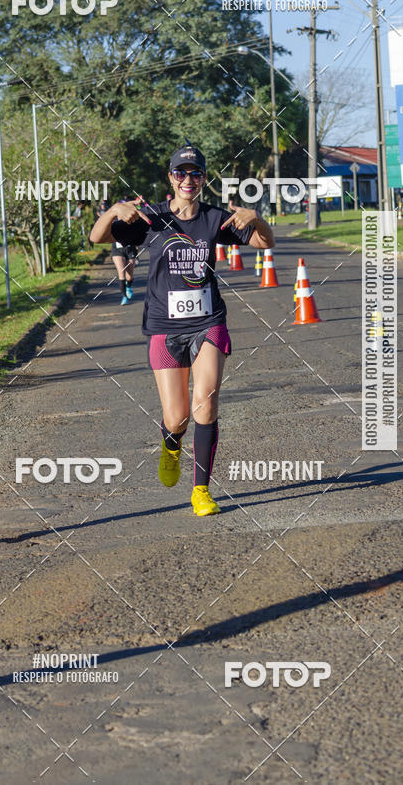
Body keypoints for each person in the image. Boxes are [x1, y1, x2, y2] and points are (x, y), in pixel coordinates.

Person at [90, 142, 274, 516]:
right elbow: (98, 238)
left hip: (209, 322)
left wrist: (256, 218)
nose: (188, 179)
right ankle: (171, 445)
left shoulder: (214, 218)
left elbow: (266, 243)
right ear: (170, 178)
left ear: (204, 179)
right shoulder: (150, 219)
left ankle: (201, 490)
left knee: (205, 404)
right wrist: (112, 212)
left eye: (195, 173)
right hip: (163, 326)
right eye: (180, 173)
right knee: (178, 417)